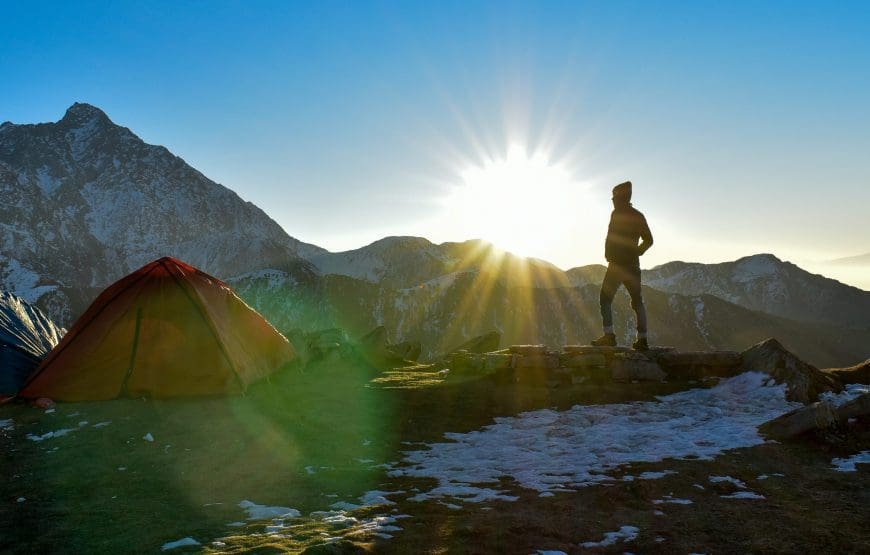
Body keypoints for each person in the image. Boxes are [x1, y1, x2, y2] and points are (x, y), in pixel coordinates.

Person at [591, 181, 653, 350]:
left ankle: (609, 336)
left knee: (605, 299)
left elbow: (610, 237)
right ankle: (643, 339)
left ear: (619, 197)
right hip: (632, 265)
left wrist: (609, 255)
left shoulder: (616, 214)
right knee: (637, 302)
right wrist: (637, 252)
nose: (612, 199)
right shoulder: (638, 216)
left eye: (614, 196)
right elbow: (649, 240)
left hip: (616, 266)